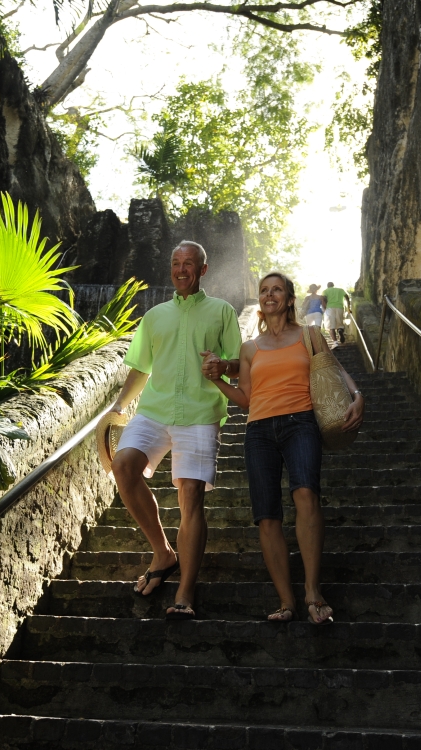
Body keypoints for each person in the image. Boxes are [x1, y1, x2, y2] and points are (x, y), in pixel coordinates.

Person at [201, 271, 364, 624]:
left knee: (306, 494)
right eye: (264, 290)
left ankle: (312, 590)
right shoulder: (249, 348)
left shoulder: (308, 335)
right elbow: (245, 398)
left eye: (277, 289)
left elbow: (335, 370)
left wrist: (358, 396)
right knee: (266, 515)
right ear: (260, 300)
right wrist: (217, 381)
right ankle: (286, 600)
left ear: (289, 299)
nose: (269, 295)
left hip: (300, 423)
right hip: (258, 430)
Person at [109, 240, 242, 621]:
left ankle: (185, 591)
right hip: (153, 411)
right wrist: (120, 404)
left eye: (189, 264)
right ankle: (163, 552)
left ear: (203, 269)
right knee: (124, 467)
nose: (181, 269)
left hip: (201, 413)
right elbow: (140, 368)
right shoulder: (155, 316)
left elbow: (239, 364)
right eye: (176, 263)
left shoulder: (222, 312)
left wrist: (223, 366)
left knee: (190, 498)